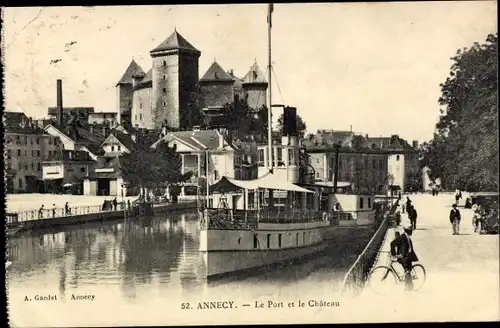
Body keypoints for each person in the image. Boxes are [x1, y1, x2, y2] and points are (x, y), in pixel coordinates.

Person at [390, 223, 419, 291]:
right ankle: (409, 288)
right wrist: (393, 254)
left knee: (407, 271)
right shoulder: (403, 237)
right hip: (405, 256)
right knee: (407, 271)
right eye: (410, 230)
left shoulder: (406, 236)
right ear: (407, 230)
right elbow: (392, 243)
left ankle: (408, 288)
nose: (411, 231)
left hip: (408, 256)